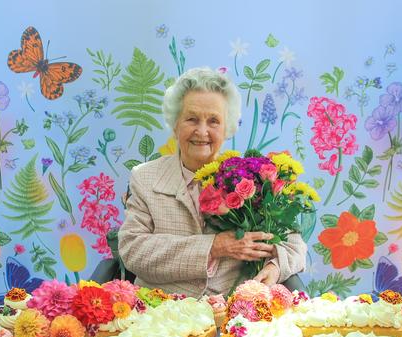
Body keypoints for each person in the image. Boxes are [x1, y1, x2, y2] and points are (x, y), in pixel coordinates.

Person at [118, 67, 306, 297]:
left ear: (227, 128)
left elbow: (294, 244)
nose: (202, 131)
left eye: (214, 121)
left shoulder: (252, 178)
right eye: (191, 119)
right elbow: (133, 250)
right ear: (175, 124)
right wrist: (213, 246)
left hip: (232, 313)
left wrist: (274, 267)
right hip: (162, 311)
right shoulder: (146, 177)